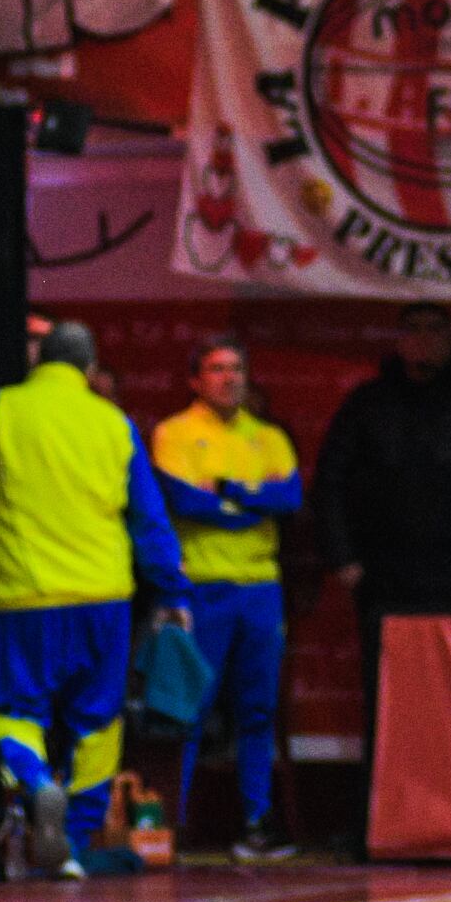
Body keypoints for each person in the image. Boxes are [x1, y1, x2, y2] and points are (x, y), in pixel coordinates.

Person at [0, 321, 187, 880]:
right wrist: (172, 591)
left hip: (21, 596)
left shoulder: (1, 409)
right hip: (104, 598)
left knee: (12, 712)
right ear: (91, 367)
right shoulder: (114, 423)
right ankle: (73, 846)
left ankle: (35, 785)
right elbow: (149, 520)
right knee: (98, 723)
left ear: (37, 362)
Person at [311, 303, 451, 708]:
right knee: (388, 689)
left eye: (434, 329)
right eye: (413, 329)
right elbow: (329, 482)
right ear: (399, 341)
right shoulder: (368, 402)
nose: (423, 338)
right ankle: (385, 773)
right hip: (384, 574)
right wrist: (342, 557)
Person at [150, 337, 301, 863]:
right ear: (195, 380)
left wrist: (230, 492)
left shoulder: (270, 438)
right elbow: (186, 501)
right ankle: (174, 825)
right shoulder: (175, 433)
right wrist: (249, 503)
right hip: (206, 586)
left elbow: (290, 498)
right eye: (216, 370)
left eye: (237, 368)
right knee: (191, 709)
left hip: (260, 587)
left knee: (256, 710)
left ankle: (257, 823)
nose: (229, 378)